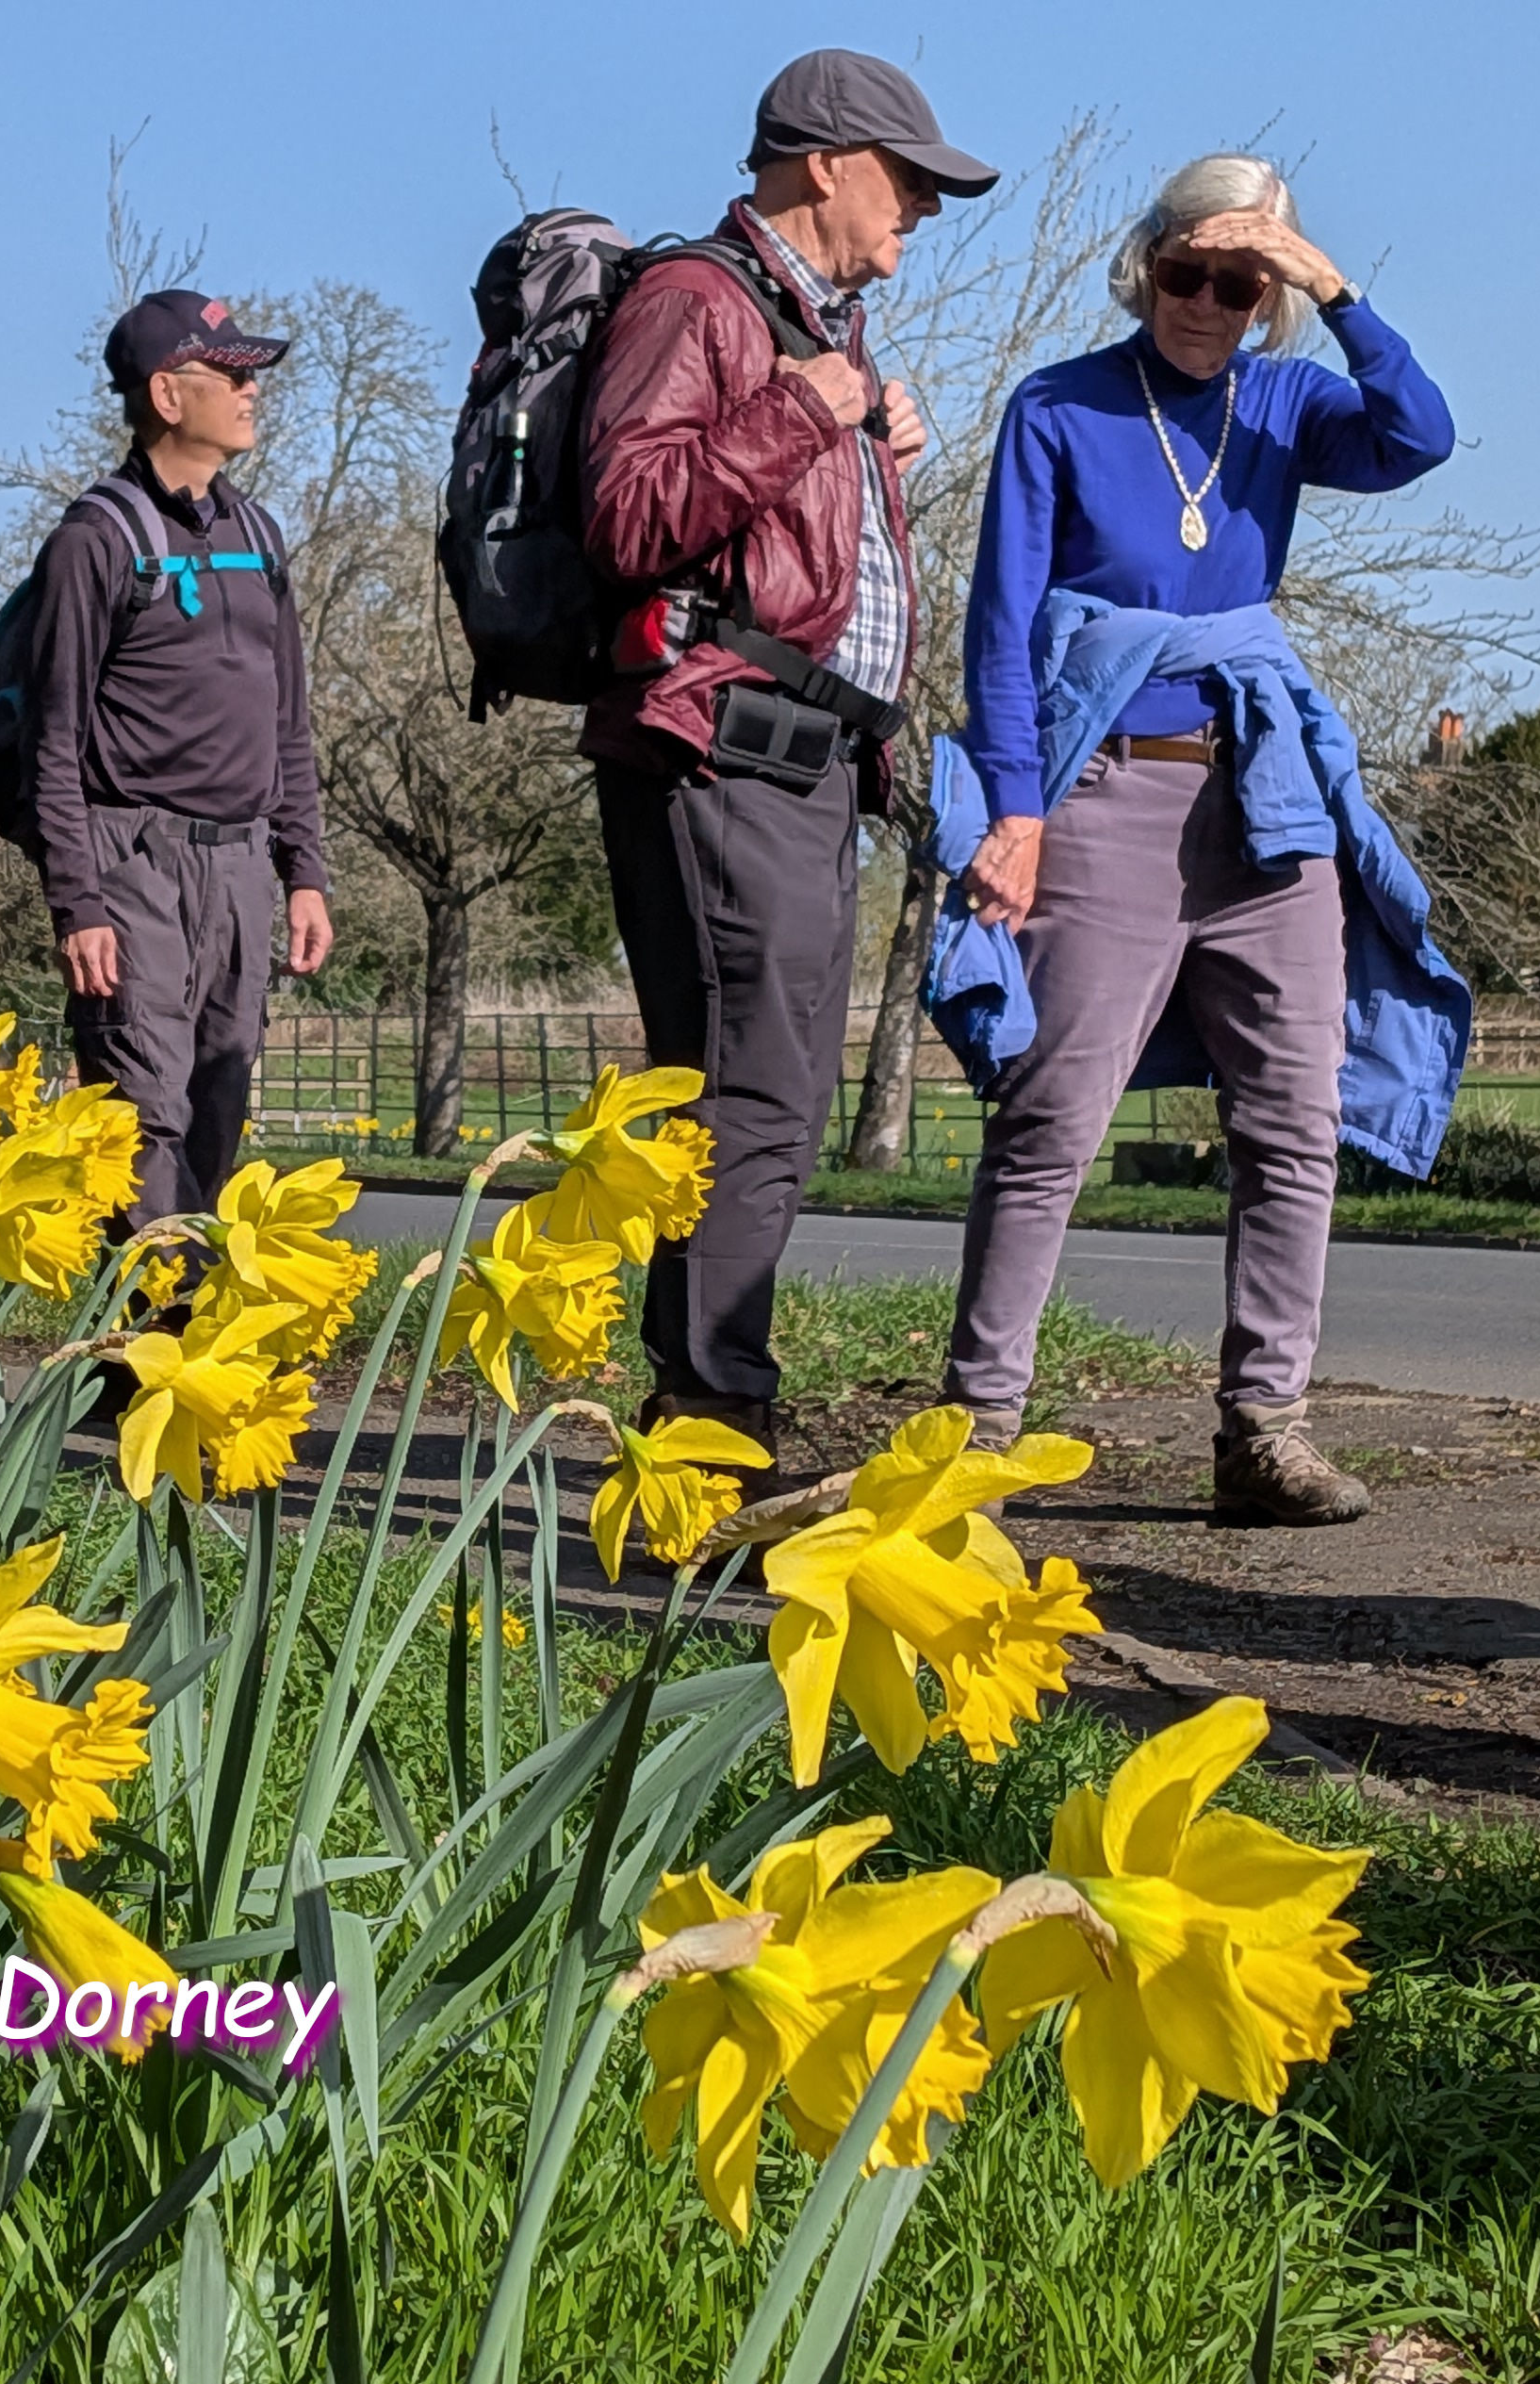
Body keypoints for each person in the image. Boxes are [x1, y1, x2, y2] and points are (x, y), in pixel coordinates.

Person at [934, 153, 1468, 1524]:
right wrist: (1016, 812)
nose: (1207, 303)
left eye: (1240, 282)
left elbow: (1420, 435)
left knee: (1294, 1120)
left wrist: (1335, 288)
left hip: (1263, 794)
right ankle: (980, 1430)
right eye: (1187, 272)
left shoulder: (1285, 401)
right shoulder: (1059, 407)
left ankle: (1264, 1430)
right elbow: (1002, 633)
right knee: (1052, 1114)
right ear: (1145, 266)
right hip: (1107, 787)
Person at [578, 49, 993, 1468]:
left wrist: (872, 446)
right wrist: (803, 413)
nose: (925, 210)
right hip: (717, 752)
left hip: (814, 762)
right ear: (823, 162)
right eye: (910, 180)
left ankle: (711, 1404)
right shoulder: (694, 300)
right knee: (739, 1088)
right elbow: (629, 518)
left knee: (778, 1091)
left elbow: (793, 559)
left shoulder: (824, 333)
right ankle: (706, 1425)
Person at [21, 287, 334, 1225]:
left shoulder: (260, 536)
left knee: (216, 1114)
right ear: (166, 395)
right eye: (229, 373)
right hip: (134, 868)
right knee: (141, 1115)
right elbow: (52, 742)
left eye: (252, 373)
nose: (251, 390)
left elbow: (289, 724)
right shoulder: (96, 540)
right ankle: (157, 1351)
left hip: (240, 865)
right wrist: (78, 902)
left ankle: (181, 1346)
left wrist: (302, 870)